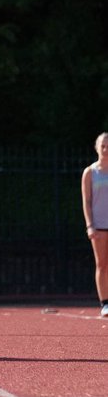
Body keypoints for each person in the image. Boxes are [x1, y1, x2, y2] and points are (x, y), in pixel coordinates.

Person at [81, 133, 108, 317]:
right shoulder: (90, 172)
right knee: (102, 264)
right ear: (97, 147)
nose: (106, 149)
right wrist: (90, 225)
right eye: (103, 146)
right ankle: (105, 303)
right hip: (98, 225)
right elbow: (86, 201)